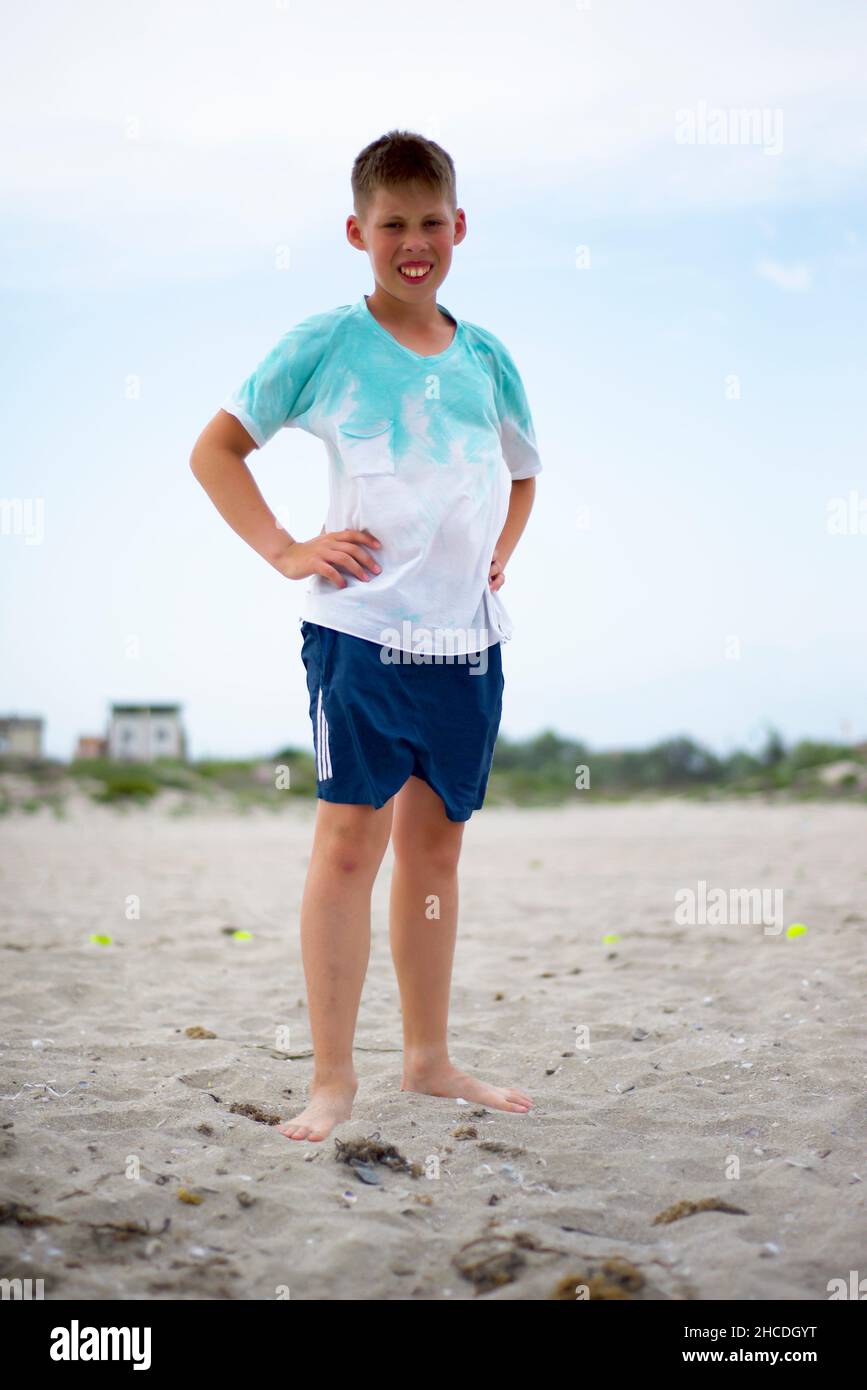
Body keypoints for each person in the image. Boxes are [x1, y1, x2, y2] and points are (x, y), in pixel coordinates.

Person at [190, 129, 542, 1142]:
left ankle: (426, 1059)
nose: (414, 241)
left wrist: (498, 552)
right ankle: (333, 1079)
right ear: (359, 232)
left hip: (467, 644)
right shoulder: (326, 344)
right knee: (351, 844)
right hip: (361, 633)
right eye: (394, 224)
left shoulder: (486, 357)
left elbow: (523, 470)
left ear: (459, 227)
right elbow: (216, 451)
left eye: (432, 222)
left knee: (436, 856)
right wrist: (284, 547)